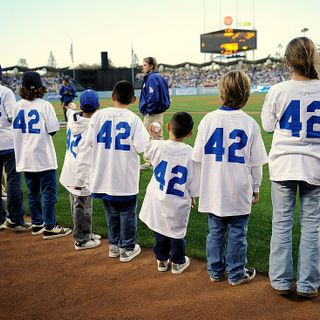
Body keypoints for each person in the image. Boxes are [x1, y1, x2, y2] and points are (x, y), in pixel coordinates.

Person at [192, 70, 268, 286]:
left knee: (215, 231)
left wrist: (196, 188)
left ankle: (215, 271)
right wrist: (256, 187)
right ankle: (236, 273)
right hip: (238, 189)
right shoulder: (250, 123)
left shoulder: (208, 120)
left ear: (222, 92)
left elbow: (196, 158)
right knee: (237, 233)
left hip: (213, 188)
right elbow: (256, 163)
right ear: (246, 94)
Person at [261, 37, 320, 299]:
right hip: (315, 166)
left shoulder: (278, 90)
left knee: (282, 224)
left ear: (287, 61)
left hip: (284, 164)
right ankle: (308, 284)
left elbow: (268, 126)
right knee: (312, 226)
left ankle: (281, 281)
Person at [75, 80, 149, 262]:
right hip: (124, 178)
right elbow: (142, 147)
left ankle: (114, 246)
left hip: (103, 176)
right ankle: (127, 247)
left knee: (111, 213)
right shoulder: (133, 119)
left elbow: (86, 144)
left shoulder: (99, 116)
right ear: (133, 99)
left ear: (113, 96)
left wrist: (81, 172)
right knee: (127, 213)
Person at [12, 71, 71, 239]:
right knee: (48, 193)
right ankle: (50, 226)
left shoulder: (17, 106)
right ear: (40, 87)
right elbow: (52, 130)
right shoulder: (45, 105)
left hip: (25, 157)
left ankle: (37, 224)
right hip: (43, 156)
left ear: (22, 87)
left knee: (32, 193)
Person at [139, 112, 199, 274]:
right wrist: (192, 196)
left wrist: (154, 136)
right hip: (178, 198)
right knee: (177, 231)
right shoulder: (191, 153)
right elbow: (193, 181)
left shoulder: (159, 146)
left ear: (168, 127)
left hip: (158, 196)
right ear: (189, 134)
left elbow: (147, 152)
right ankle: (178, 262)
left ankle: (162, 260)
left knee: (159, 227)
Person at [60, 89, 101, 250]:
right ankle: (81, 239)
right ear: (97, 106)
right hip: (80, 174)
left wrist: (70, 106)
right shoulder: (91, 128)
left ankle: (86, 232)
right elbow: (84, 159)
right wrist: (81, 182)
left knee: (78, 205)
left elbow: (70, 110)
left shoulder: (73, 117)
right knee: (82, 207)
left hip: (70, 168)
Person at [0, 66, 30, 231]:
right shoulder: (5, 92)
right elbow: (13, 118)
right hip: (7, 141)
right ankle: (16, 219)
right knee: (13, 180)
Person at [139, 57, 170, 169]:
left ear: (151, 66)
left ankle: (150, 161)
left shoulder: (152, 78)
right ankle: (159, 159)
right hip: (158, 111)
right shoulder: (159, 76)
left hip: (153, 113)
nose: (143, 67)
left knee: (148, 135)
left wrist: (148, 110)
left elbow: (154, 96)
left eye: (145, 65)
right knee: (157, 134)